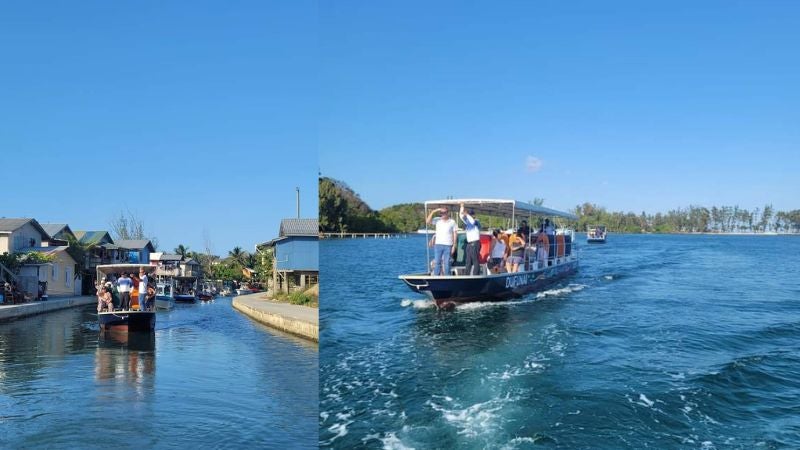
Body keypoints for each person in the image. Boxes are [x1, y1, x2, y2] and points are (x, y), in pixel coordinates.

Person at [426, 207, 457, 276]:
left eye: (444, 213)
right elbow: (427, 221)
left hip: (448, 245)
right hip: (438, 245)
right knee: (437, 262)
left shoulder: (452, 222)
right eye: (441, 213)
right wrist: (433, 211)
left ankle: (448, 277)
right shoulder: (437, 220)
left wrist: (454, 245)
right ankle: (436, 277)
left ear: (447, 213)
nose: (442, 214)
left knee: (447, 263)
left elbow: (455, 233)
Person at [459, 203, 481, 275]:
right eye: (469, 214)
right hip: (469, 244)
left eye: (471, 215)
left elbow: (472, 221)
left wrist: (467, 214)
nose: (470, 216)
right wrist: (462, 207)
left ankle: (476, 275)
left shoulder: (476, 222)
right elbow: (461, 216)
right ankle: (467, 275)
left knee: (475, 260)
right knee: (468, 261)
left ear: (473, 215)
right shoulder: (468, 222)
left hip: (475, 243)